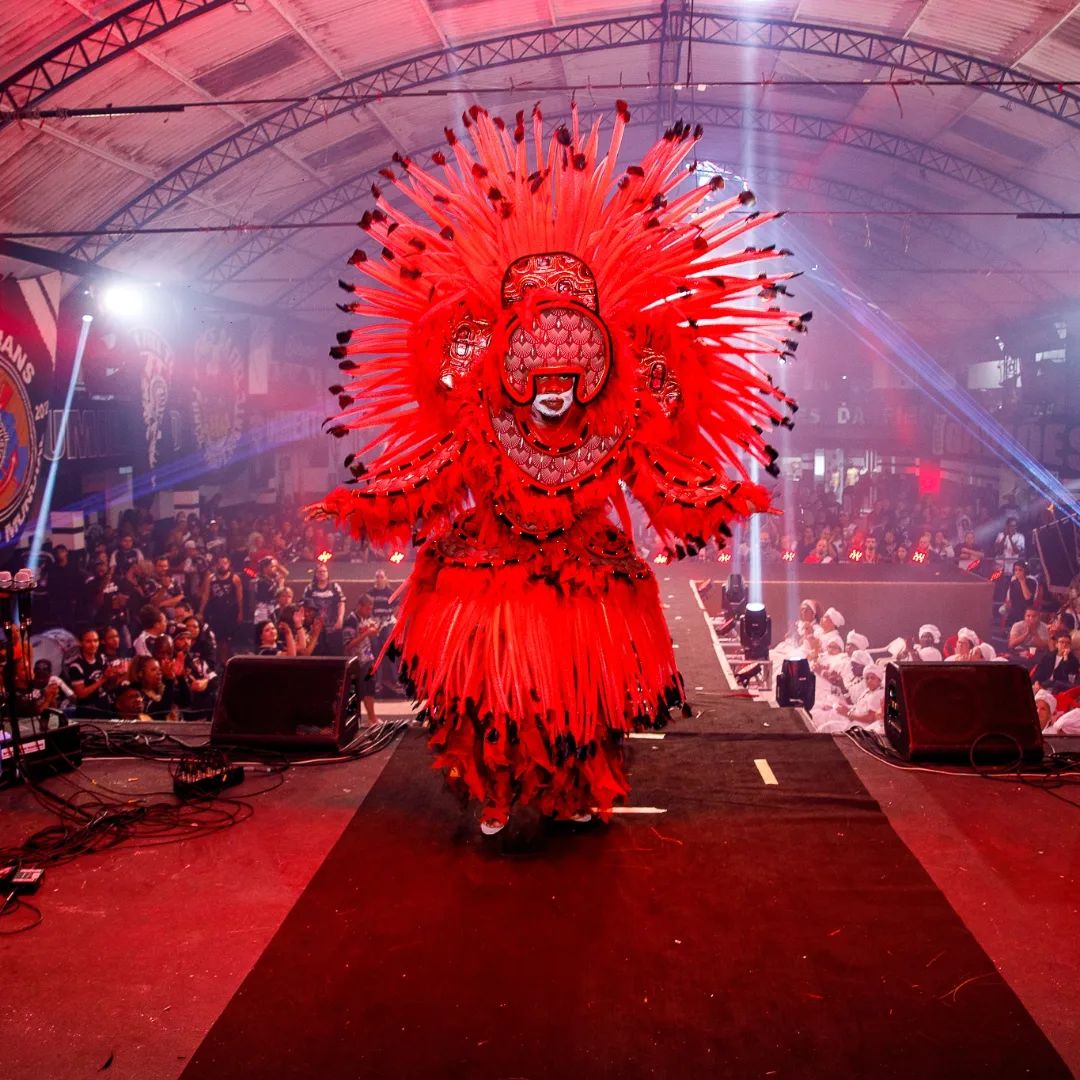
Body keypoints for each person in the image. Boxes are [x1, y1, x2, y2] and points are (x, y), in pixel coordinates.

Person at [308, 107, 798, 834]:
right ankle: (497, 790)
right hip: (491, 579)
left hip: (586, 587)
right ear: (512, 373)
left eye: (568, 376)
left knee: (584, 702)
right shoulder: (481, 424)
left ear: (594, 374)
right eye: (540, 376)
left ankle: (575, 789)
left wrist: (727, 496)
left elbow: (663, 479)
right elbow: (423, 471)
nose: (554, 391)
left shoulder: (618, 429)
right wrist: (363, 498)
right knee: (493, 699)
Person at [199, 554, 243, 664]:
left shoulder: (235, 578)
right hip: (215, 612)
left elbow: (240, 597)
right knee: (217, 638)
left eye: (224, 563)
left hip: (230, 612)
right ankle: (219, 662)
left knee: (227, 640)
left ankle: (227, 662)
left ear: (229, 564)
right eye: (219, 563)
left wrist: (240, 612)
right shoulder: (211, 578)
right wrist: (201, 611)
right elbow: (205, 595)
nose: (222, 565)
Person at [342, 594, 379, 725]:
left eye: (371, 609)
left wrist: (373, 630)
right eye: (367, 608)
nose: (369, 611)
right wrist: (366, 634)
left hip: (368, 657)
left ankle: (372, 718)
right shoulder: (351, 620)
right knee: (358, 691)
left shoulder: (365, 618)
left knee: (370, 687)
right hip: (357, 660)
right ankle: (354, 721)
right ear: (360, 606)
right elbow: (348, 645)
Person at [302, 563, 346, 655]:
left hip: (332, 626)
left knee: (335, 652)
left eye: (324, 571)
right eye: (319, 571)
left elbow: (341, 603)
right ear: (315, 574)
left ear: (328, 573)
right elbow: (305, 606)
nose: (322, 573)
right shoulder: (310, 588)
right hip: (316, 627)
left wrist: (340, 619)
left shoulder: (334, 586)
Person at [66, 628, 111, 717]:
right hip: (88, 711)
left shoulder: (102, 658)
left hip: (104, 705)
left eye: (95, 641)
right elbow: (81, 694)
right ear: (80, 643)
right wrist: (102, 680)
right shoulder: (76, 666)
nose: (93, 645)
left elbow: (109, 685)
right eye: (88, 641)